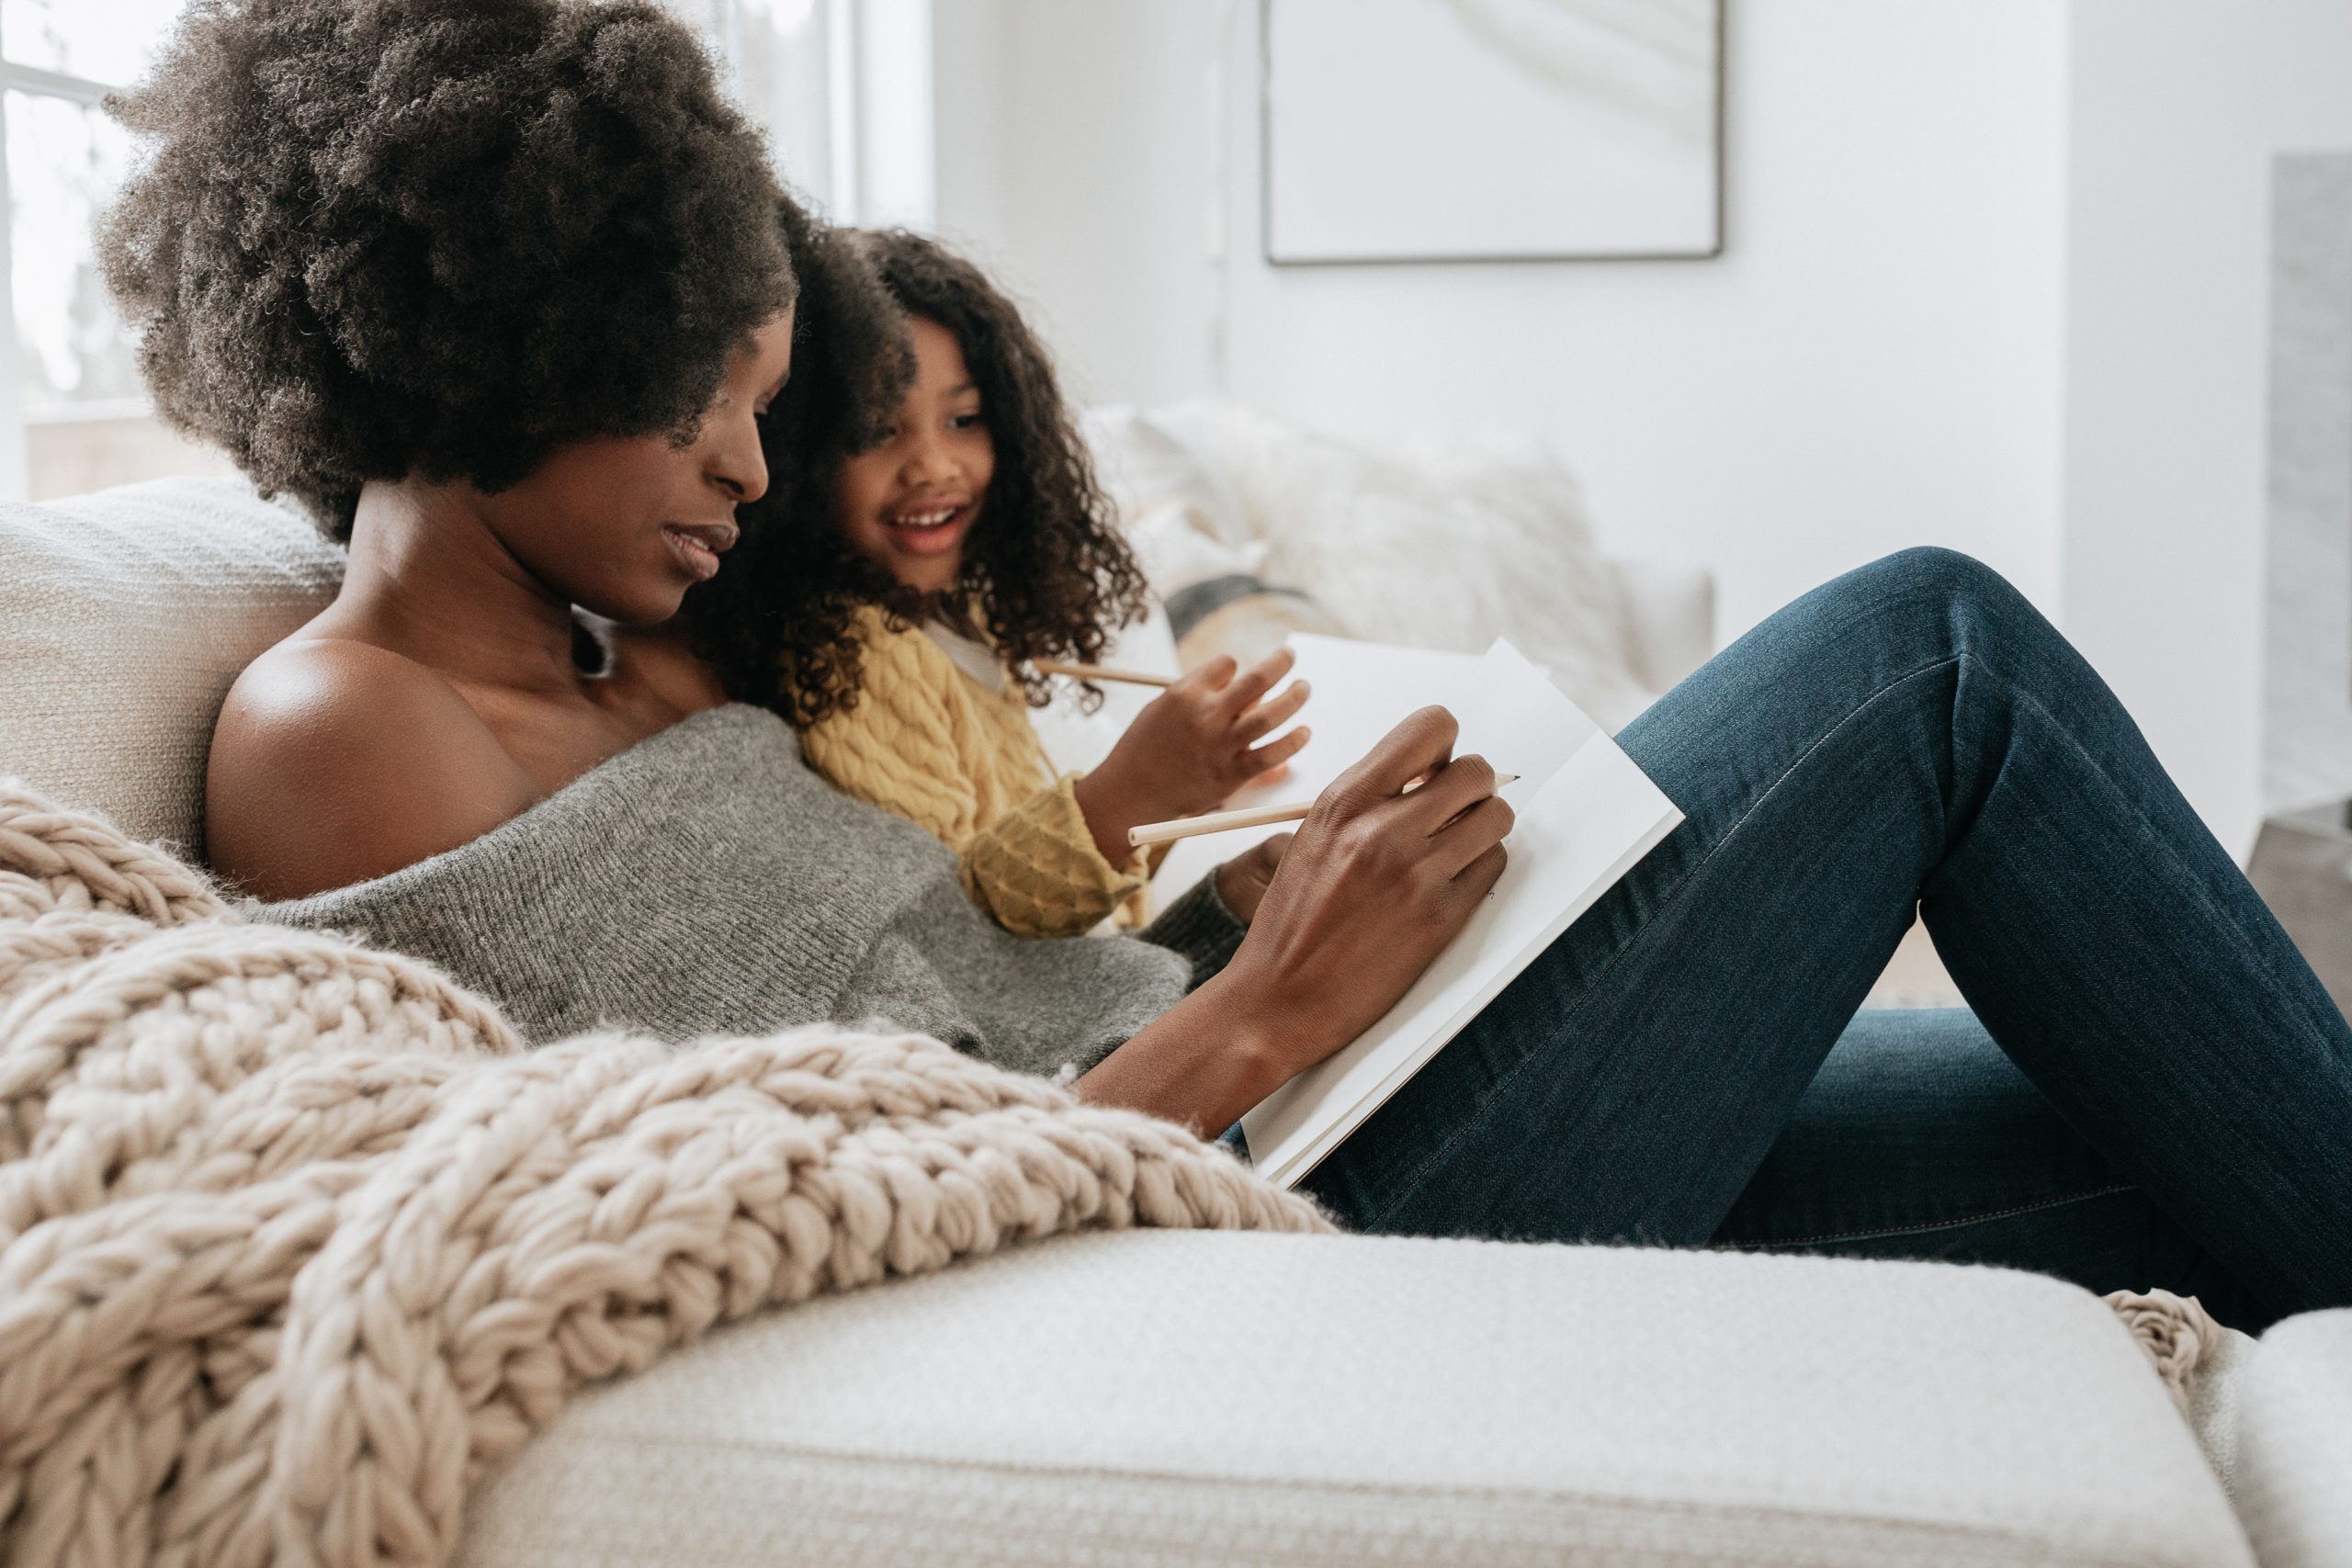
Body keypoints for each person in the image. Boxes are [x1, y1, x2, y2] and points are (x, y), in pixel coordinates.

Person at [121, 0, 2348, 1333]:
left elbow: (947, 948)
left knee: (2143, 1101)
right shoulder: (346, 728)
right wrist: (1265, 1002)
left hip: (1306, 1084)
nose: (747, 465)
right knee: (1928, 652)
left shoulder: (646, 646)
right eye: (696, 398)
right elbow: (767, 1217)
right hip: (1262, 1198)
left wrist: (1253, 908)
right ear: (497, 343)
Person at [721, 230, 1309, 937]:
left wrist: (1188, 789)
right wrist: (1135, 790)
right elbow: (957, 936)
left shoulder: (967, 612)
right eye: (878, 429)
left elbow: (1058, 874)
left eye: (964, 420)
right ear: (799, 455)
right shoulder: (856, 655)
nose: (934, 465)